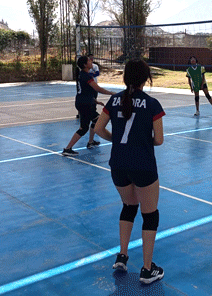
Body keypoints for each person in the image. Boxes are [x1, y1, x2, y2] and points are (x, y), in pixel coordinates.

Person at [93, 59, 165, 285]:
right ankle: (146, 269)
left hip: (118, 165)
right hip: (142, 165)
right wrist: (141, 142)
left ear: (125, 78)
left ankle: (122, 256)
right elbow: (159, 140)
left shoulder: (114, 100)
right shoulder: (152, 104)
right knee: (150, 214)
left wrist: (116, 140)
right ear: (146, 78)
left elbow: (97, 128)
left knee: (128, 206)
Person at [62, 55, 114, 156]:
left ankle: (87, 143)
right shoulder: (86, 76)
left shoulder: (82, 75)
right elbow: (98, 89)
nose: (91, 62)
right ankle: (70, 148)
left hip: (83, 102)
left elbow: (85, 92)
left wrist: (95, 101)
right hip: (85, 104)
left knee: (84, 127)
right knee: (97, 120)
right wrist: (112, 93)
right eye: (89, 61)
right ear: (85, 65)